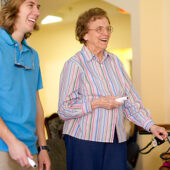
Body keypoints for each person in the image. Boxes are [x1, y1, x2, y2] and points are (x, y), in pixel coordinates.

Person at [58, 7, 168, 170]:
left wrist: (151, 125)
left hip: (115, 139)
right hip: (84, 141)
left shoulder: (115, 61)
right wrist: (96, 103)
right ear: (84, 34)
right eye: (99, 29)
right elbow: (64, 109)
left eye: (108, 28)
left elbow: (130, 100)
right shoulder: (74, 65)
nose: (106, 33)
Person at [0, 0, 51, 169]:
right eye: (30, 5)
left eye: (38, 7)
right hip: (4, 149)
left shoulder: (32, 55)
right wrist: (12, 142)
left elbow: (36, 103)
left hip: (30, 150)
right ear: (13, 7)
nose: (37, 12)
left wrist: (42, 147)